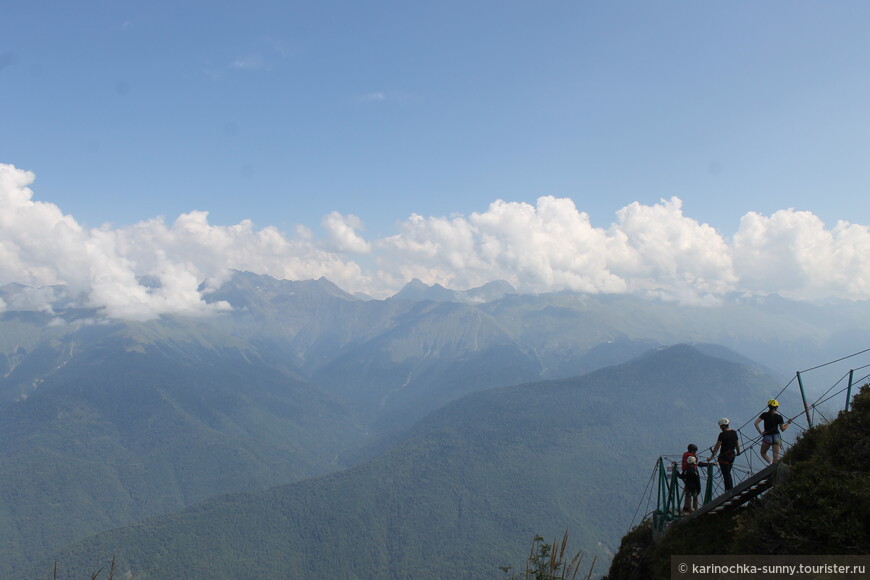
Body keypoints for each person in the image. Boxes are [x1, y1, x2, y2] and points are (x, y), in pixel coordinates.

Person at [754, 399, 792, 463]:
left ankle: (770, 463)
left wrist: (761, 432)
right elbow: (782, 429)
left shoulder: (764, 414)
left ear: (768, 406)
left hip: (767, 437)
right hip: (777, 437)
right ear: (776, 407)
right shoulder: (779, 417)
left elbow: (756, 423)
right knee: (776, 456)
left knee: (763, 453)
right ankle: (774, 469)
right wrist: (788, 423)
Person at [708, 418, 739, 492]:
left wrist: (711, 457)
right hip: (732, 456)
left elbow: (717, 446)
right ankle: (729, 489)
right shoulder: (734, 432)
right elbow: (737, 444)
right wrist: (738, 452)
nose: (720, 428)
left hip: (724, 457)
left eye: (721, 426)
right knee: (728, 472)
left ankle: (729, 490)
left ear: (723, 426)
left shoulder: (722, 434)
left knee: (726, 474)